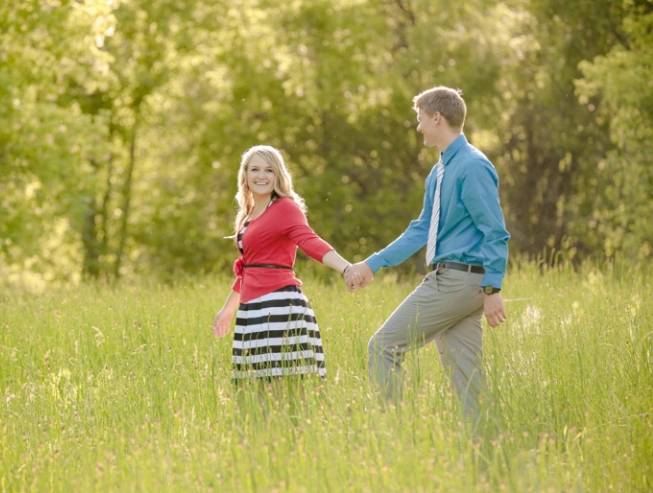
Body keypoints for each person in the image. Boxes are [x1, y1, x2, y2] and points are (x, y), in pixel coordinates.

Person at [345, 86, 510, 419]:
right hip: (461, 284)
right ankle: (483, 444)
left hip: (457, 281)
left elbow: (494, 230)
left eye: (420, 120)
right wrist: (372, 264)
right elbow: (421, 229)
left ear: (437, 118)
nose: (418, 127)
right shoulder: (439, 171)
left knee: (383, 347)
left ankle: (390, 432)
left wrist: (493, 288)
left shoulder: (472, 166)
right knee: (467, 381)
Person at [212, 145, 353, 381]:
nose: (261, 175)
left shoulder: (285, 208)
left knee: (287, 385)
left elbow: (310, 242)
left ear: (278, 175)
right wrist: (228, 309)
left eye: (269, 170)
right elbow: (248, 268)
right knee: (251, 387)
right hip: (251, 309)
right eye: (255, 169)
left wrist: (346, 268)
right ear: (245, 174)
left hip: (279, 305)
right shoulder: (247, 215)